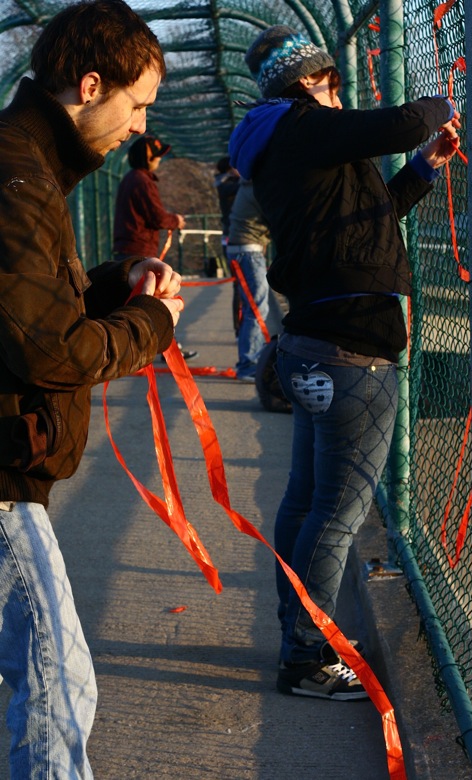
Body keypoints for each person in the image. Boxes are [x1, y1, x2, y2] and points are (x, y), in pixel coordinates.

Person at [229, 25, 460, 700]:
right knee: (336, 514)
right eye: (332, 81)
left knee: (307, 502)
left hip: (317, 344)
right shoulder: (301, 127)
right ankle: (305, 657)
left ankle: (302, 635)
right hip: (352, 354)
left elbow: (369, 220)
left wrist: (422, 170)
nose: (338, 95)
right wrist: (443, 103)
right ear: (309, 80)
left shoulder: (292, 145)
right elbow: (405, 119)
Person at [0, 2, 185, 776]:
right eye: (138, 103)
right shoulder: (16, 174)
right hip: (2, 470)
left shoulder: (26, 163)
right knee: (56, 682)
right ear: (89, 85)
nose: (139, 125)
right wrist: (152, 323)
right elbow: (48, 347)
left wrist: (117, 284)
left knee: (48, 677)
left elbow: (34, 301)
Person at [113, 134, 197, 361]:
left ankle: (142, 348)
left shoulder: (133, 178)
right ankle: (166, 349)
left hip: (130, 246)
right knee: (152, 299)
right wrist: (175, 221)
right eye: (156, 156)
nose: (159, 160)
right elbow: (156, 216)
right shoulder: (142, 180)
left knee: (133, 300)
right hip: (138, 248)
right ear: (146, 158)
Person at [227, 178, 270, 381]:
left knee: (252, 306)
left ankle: (250, 360)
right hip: (248, 251)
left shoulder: (249, 185)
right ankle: (249, 364)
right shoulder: (260, 187)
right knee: (257, 308)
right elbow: (277, 216)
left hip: (243, 250)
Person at [214, 156, 241, 334]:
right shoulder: (227, 185)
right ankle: (240, 327)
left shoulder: (226, 183)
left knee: (240, 284)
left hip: (233, 238)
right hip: (233, 238)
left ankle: (241, 326)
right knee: (240, 284)